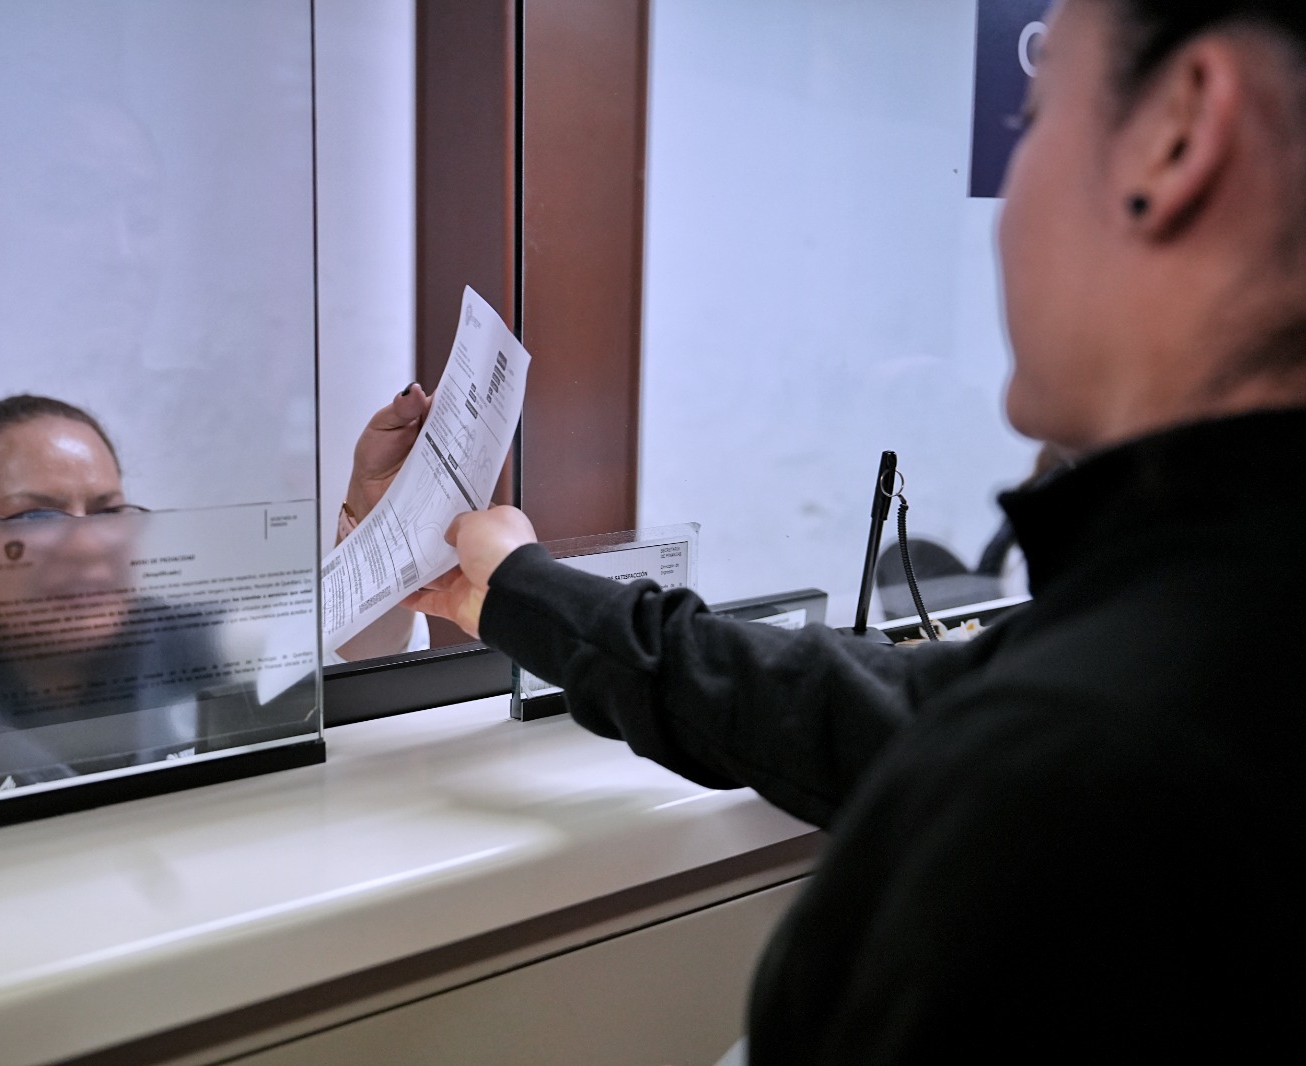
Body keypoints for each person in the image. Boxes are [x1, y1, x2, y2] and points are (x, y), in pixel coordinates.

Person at [408, 1, 1306, 1060]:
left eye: (1031, 111)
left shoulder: (1076, 779)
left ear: (1176, 133)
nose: (1003, 210)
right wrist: (520, 589)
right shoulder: (1208, 635)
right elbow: (862, 704)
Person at [0, 388, 432, 829]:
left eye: (107, 512)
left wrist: (375, 522)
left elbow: (360, 651)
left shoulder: (201, 647)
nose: (87, 544)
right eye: (37, 516)